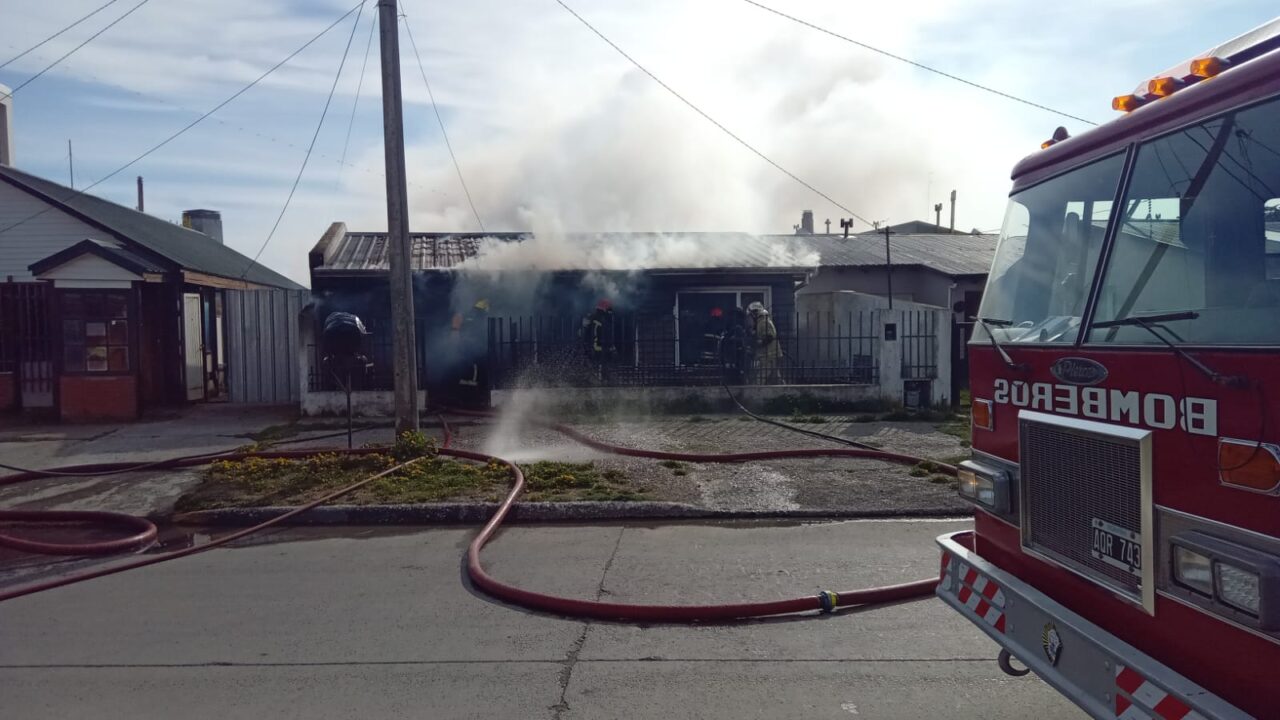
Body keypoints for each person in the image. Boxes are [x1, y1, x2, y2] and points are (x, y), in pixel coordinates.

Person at [580, 299, 617, 383]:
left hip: (590, 346)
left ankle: (593, 381)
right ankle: (604, 381)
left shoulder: (591, 317)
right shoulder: (603, 320)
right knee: (605, 366)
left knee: (592, 367)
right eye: (609, 310)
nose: (611, 312)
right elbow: (607, 336)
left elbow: (583, 333)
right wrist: (612, 348)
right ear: (605, 309)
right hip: (601, 347)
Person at [747, 301, 780, 384]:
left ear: (755, 312)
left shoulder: (764, 322)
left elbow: (770, 336)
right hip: (768, 354)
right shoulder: (760, 322)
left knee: (761, 376)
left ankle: (757, 390)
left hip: (768, 355)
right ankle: (786, 390)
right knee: (775, 377)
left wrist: (759, 342)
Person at [719, 306, 750, 385]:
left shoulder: (733, 327)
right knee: (736, 376)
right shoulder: (739, 327)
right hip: (734, 356)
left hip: (732, 356)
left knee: (731, 376)